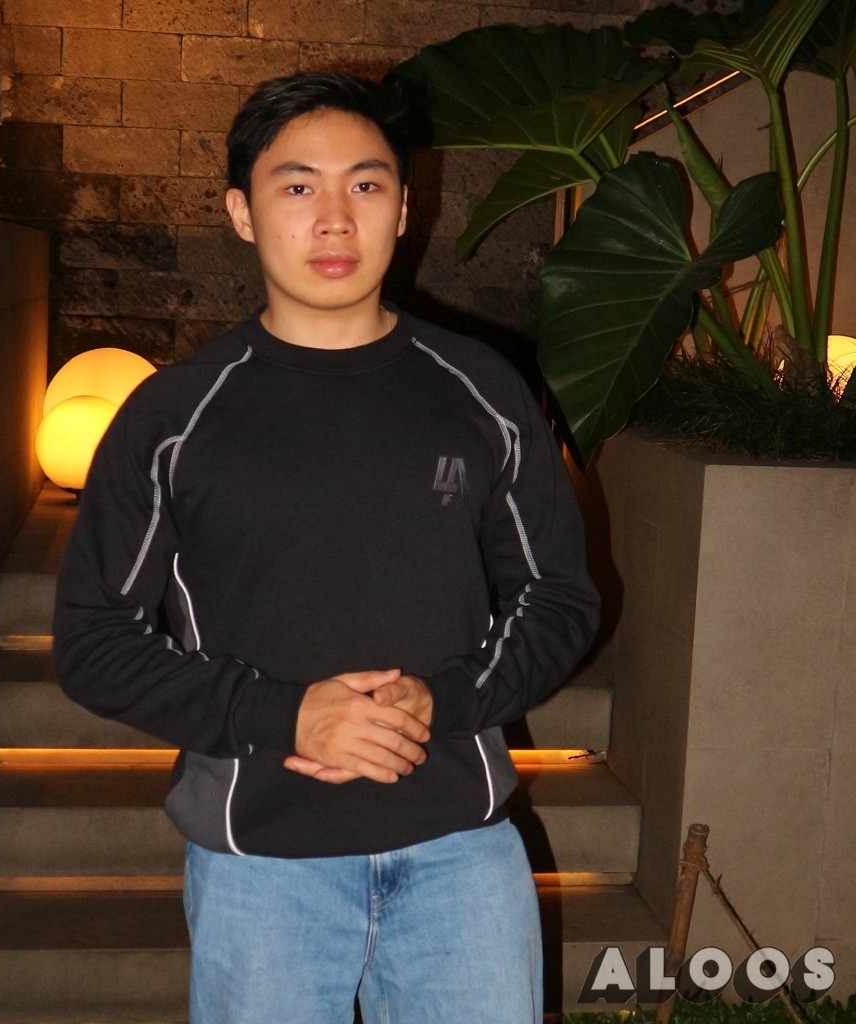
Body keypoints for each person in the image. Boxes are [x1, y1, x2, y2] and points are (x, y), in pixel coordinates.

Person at [54, 71, 600, 1024]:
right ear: (241, 211)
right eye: (298, 186)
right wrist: (283, 715)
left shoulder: (481, 390)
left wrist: (443, 701)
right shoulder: (173, 417)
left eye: (367, 184)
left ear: (405, 210)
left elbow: (559, 599)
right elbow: (93, 639)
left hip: (460, 854)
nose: (336, 219)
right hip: (260, 869)